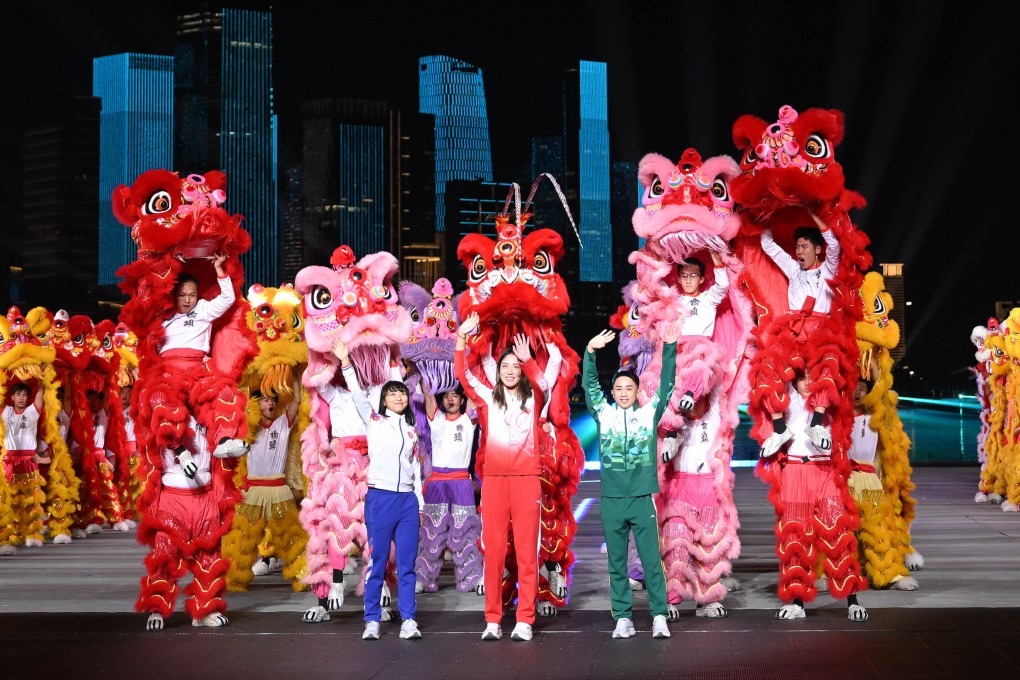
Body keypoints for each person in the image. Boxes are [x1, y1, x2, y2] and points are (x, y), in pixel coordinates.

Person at [455, 312, 551, 643]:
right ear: (497, 371)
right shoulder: (486, 397)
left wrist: (530, 362)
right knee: (493, 552)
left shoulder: (531, 397)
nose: (510, 371)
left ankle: (524, 619)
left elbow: (544, 386)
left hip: (527, 481)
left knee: (527, 552)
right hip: (495, 482)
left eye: (514, 367)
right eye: (504, 367)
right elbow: (463, 374)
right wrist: (462, 338)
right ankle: (493, 620)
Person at [584, 321, 678, 640]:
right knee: (617, 565)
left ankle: (659, 616)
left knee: (652, 562)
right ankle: (623, 618)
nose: (624, 393)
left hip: (641, 500)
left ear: (638, 392)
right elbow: (589, 386)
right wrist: (591, 353)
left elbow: (666, 386)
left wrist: (669, 348)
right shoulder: (604, 414)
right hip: (612, 502)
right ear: (613, 393)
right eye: (619, 389)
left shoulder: (647, 415)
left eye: (630, 389)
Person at [761, 370, 868, 622]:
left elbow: (836, 370)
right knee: (795, 538)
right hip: (796, 471)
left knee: (838, 533)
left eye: (812, 376)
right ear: (791, 380)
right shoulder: (785, 400)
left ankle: (852, 600)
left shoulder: (830, 397)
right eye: (801, 377)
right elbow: (767, 373)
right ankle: (797, 602)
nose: (807, 382)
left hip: (825, 470)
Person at [337, 340, 424, 641]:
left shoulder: (413, 431)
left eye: (401, 391)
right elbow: (359, 395)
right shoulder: (374, 421)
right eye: (392, 392)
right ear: (384, 400)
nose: (398, 395)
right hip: (380, 499)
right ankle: (371, 619)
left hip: (408, 503)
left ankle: (409, 619)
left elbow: (416, 470)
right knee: (377, 563)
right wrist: (345, 361)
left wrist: (421, 504)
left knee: (407, 565)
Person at [137, 415, 244, 631]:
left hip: (205, 495)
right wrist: (180, 451)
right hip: (172, 499)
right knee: (165, 554)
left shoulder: (212, 408)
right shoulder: (166, 402)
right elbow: (158, 427)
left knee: (209, 555)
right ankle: (156, 608)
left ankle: (204, 610)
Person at [757, 214, 841, 458]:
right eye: (797, 247)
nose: (799, 251)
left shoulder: (827, 269)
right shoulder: (794, 268)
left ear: (817, 249)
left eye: (804, 246)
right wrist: (769, 211)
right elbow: (768, 245)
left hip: (820, 333)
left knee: (828, 368)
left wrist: (810, 211)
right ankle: (780, 428)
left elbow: (833, 245)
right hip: (793, 332)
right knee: (766, 368)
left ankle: (816, 423)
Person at [157, 255, 248, 459]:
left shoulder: (203, 308)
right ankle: (180, 452)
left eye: (192, 295)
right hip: (168, 372)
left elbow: (227, 298)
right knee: (160, 403)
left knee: (224, 391)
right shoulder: (162, 315)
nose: (188, 300)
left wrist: (218, 268)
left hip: (198, 368)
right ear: (174, 294)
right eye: (182, 295)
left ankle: (224, 441)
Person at [223, 372, 304, 591]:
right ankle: (236, 578)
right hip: (253, 490)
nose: (270, 403)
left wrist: (295, 373)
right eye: (266, 399)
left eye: (273, 400)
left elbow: (297, 401)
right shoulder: (246, 429)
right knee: (244, 536)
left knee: (290, 536)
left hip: (278, 488)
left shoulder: (282, 424)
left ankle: (302, 576)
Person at [415, 385, 482, 593]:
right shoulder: (436, 419)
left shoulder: (468, 420)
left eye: (455, 396)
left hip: (461, 481)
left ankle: (471, 577)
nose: (451, 399)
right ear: (442, 401)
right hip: (436, 482)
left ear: (462, 401)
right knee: (431, 532)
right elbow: (427, 391)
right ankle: (424, 578)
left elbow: (472, 389)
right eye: (446, 396)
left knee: (466, 531)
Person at [1, 383, 47, 551]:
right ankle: (10, 536)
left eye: (24, 395)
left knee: (32, 500)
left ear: (28, 398)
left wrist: (42, 376)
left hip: (29, 462)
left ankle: (33, 535)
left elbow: (41, 390)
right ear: (11, 397)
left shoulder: (32, 412)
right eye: (18, 394)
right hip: (10, 464)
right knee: (9, 502)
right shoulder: (5, 411)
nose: (21, 397)